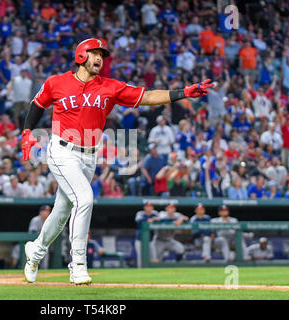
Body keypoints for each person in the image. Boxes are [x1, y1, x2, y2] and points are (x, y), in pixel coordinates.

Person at [21, 38, 213, 284]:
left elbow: (148, 96)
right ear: (81, 55)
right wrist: (27, 132)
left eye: (102, 54)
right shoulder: (56, 82)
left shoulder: (110, 86)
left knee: (62, 211)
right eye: (94, 53)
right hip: (61, 150)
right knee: (85, 198)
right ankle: (78, 263)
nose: (99, 58)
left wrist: (182, 93)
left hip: (89, 155)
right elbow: (37, 105)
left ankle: (35, 251)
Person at [134, 202, 159, 268]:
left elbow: (160, 219)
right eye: (147, 206)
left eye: (150, 206)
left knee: (153, 257)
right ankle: (140, 271)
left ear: (152, 207)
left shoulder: (155, 213)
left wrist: (153, 219)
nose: (149, 208)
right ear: (144, 207)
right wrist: (148, 220)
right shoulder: (140, 213)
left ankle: (153, 272)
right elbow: (138, 220)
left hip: (151, 239)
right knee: (140, 257)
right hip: (140, 239)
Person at [28, 205, 52, 269]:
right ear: (41, 212)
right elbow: (33, 232)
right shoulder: (35, 220)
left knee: (45, 251)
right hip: (34, 243)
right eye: (45, 211)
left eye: (48, 211)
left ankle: (44, 272)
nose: (48, 212)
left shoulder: (50, 221)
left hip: (44, 243)